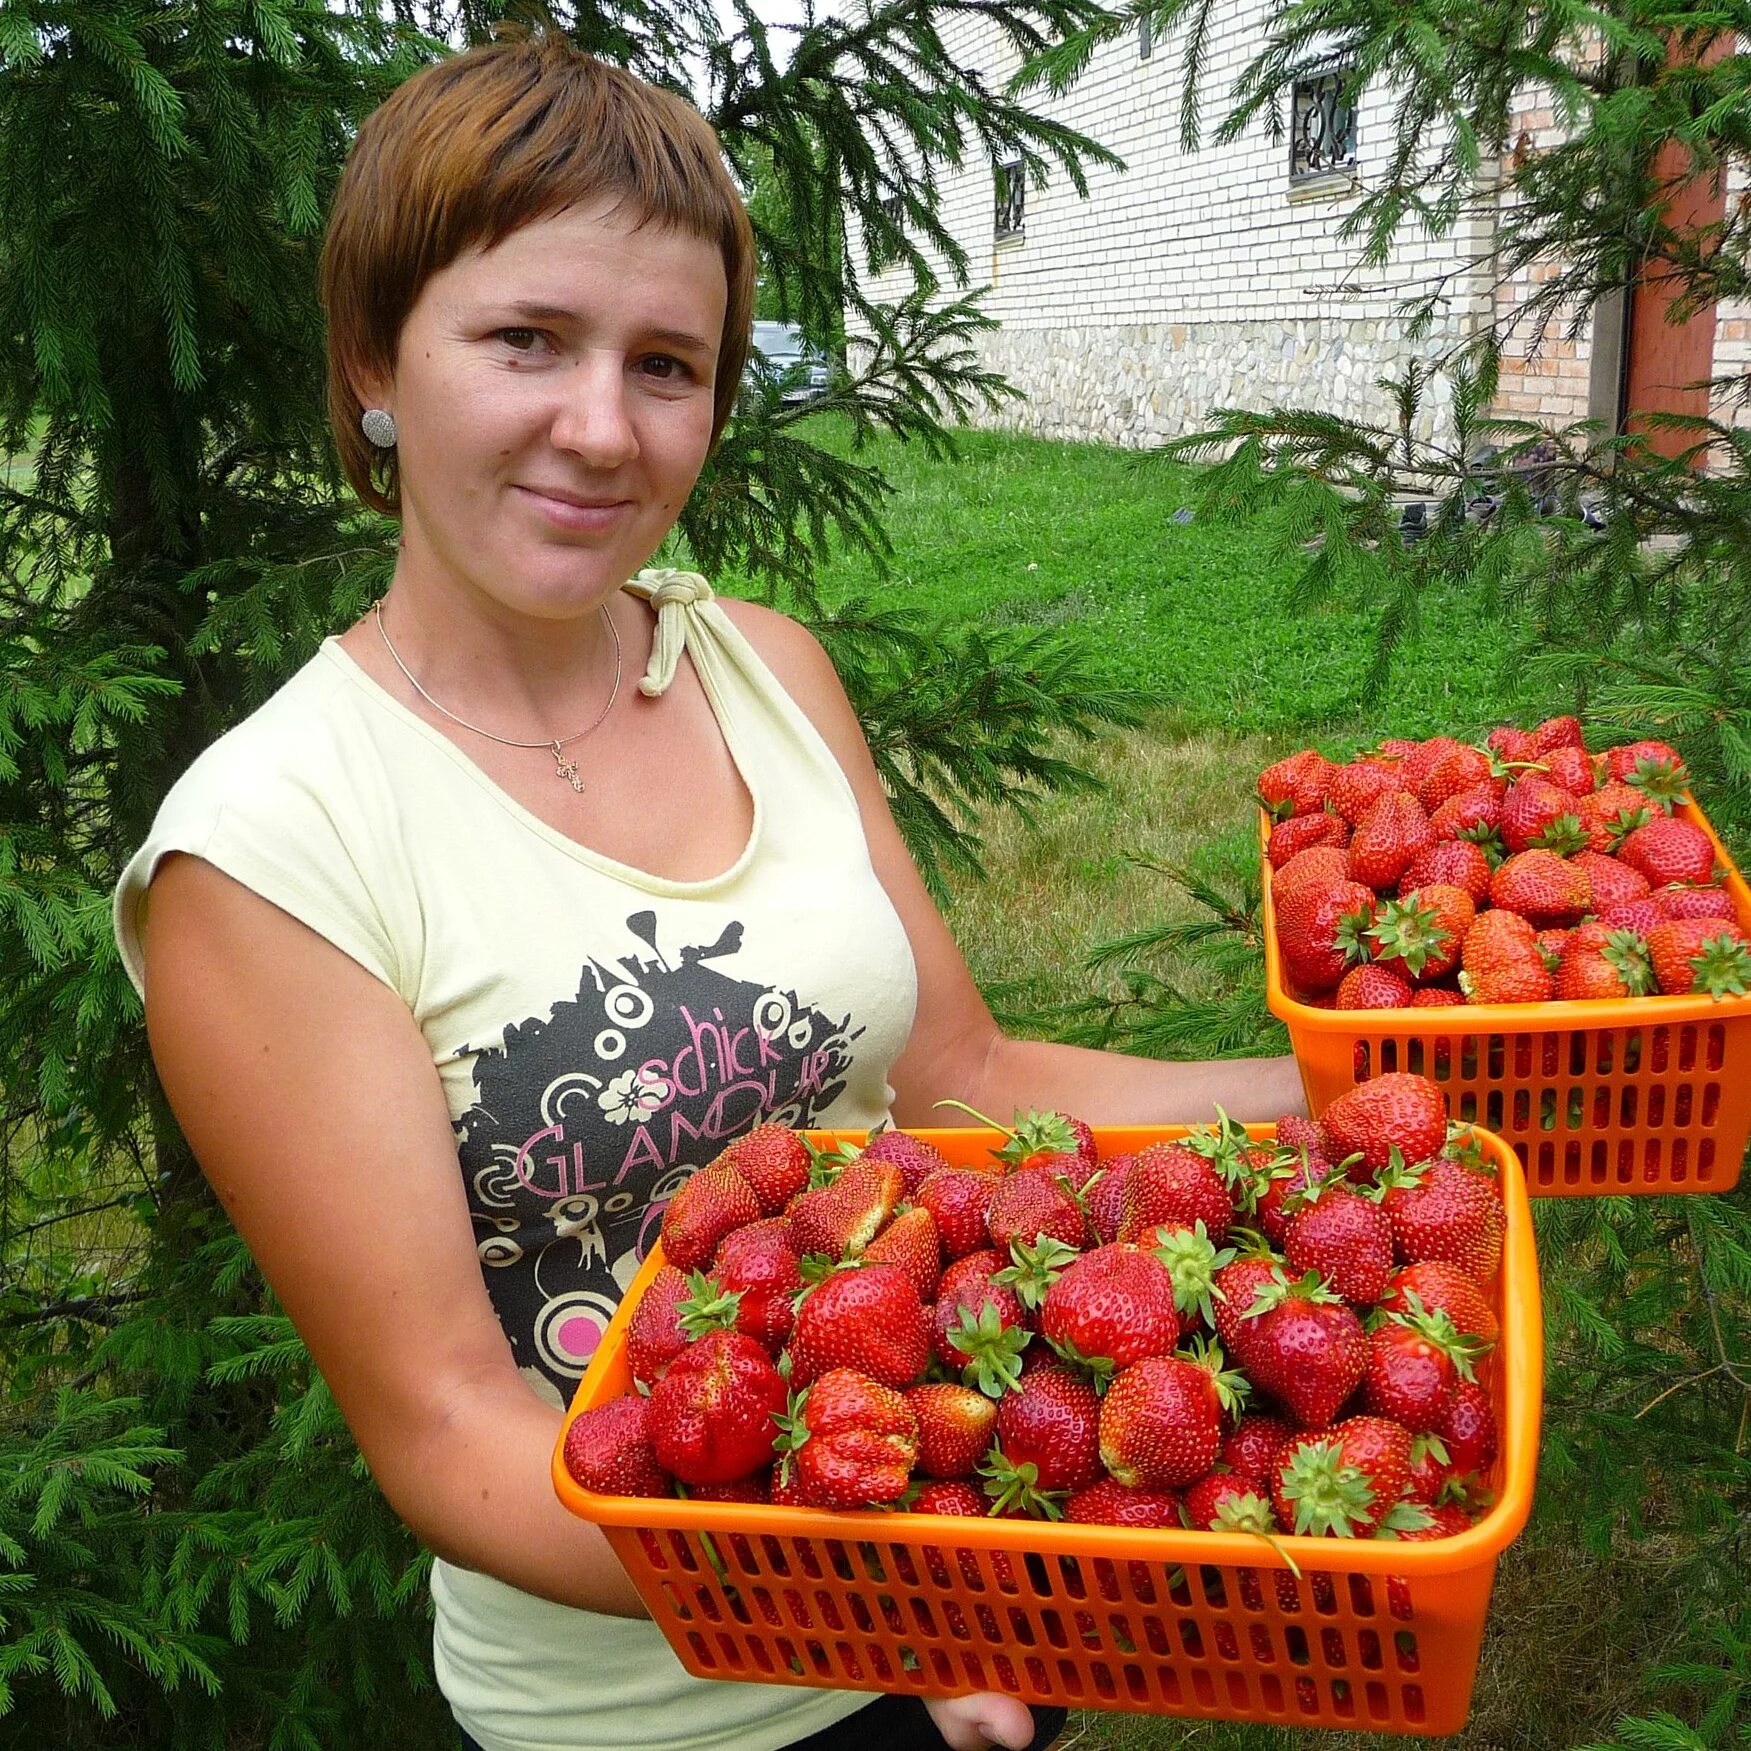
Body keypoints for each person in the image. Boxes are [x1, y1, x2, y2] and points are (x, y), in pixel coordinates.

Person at [112, 31, 1307, 1751]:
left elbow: (974, 1087)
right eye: (526, 338)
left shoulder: (765, 670)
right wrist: (897, 1597)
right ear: (376, 357)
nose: (600, 429)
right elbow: (449, 1423)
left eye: (666, 364)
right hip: (649, 1710)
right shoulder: (276, 846)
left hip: (965, 1584)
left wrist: (1342, 1098)